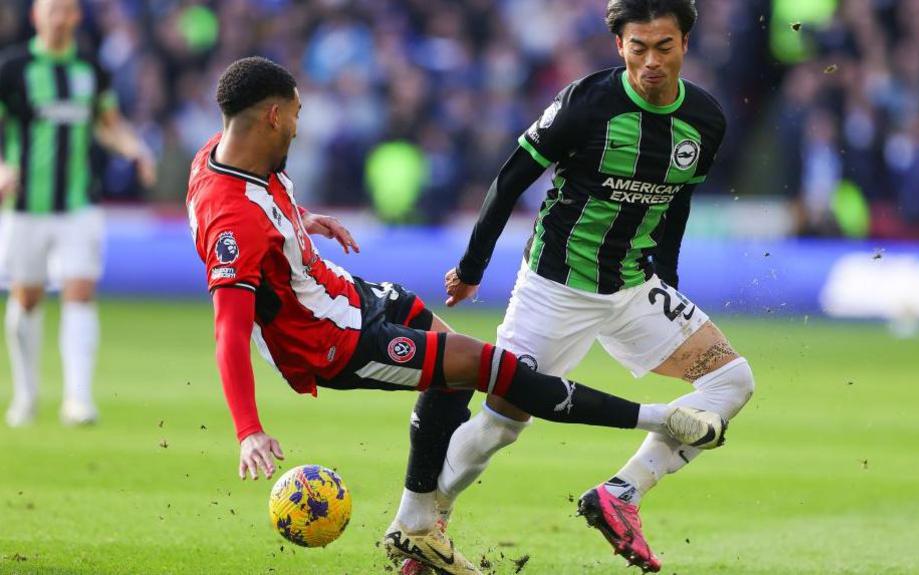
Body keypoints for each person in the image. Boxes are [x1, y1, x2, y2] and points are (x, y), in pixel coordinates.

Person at [187, 56, 726, 575]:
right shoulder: (231, 220)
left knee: (453, 375)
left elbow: (261, 212)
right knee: (494, 369)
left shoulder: (224, 151)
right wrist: (249, 431)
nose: (300, 128)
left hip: (347, 295)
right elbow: (229, 330)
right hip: (329, 341)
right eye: (298, 114)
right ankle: (659, 418)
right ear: (274, 115)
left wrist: (302, 220)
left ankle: (417, 527)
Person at [408, 1, 758, 572]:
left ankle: (621, 494)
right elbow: (512, 177)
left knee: (732, 382)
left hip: (631, 287)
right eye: (637, 48)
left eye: (663, 47)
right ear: (619, 45)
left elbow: (676, 203)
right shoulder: (586, 103)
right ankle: (426, 522)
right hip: (554, 288)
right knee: (501, 425)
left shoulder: (706, 120)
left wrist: (666, 282)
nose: (650, 62)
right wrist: (472, 267)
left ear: (685, 45)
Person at [0, 0, 156, 427]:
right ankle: (26, 394)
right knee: (26, 297)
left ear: (76, 17)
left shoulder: (90, 67)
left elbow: (108, 123)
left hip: (79, 203)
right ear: (36, 16)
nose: (61, 18)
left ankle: (78, 399)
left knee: (80, 292)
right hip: (24, 207)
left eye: (68, 10)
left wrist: (135, 149)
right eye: (53, 10)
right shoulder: (12, 68)